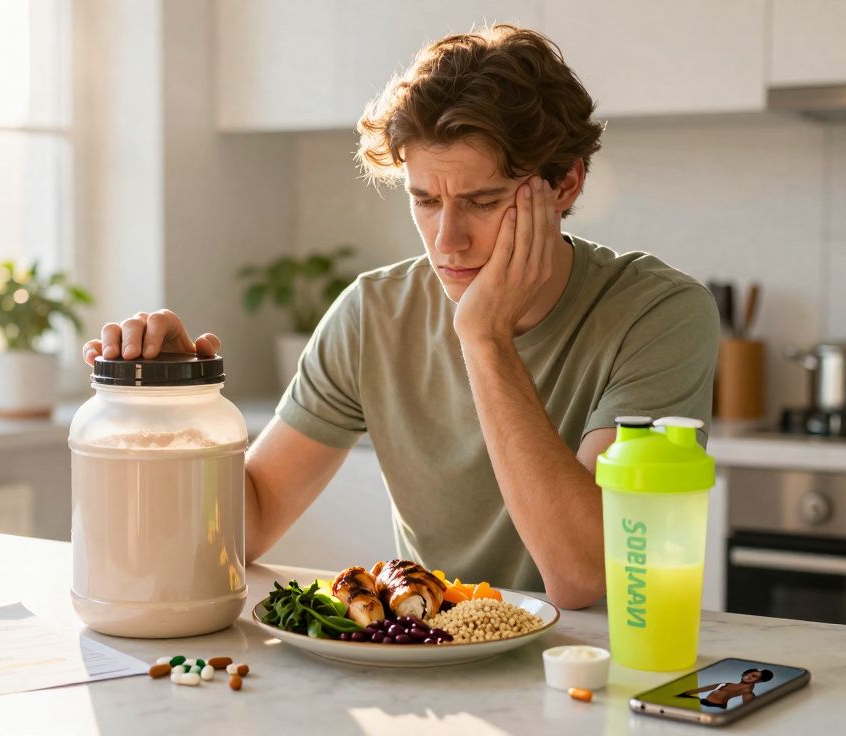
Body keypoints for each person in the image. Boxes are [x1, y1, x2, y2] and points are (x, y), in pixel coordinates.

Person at [83, 25, 718, 609]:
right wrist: (176, 404)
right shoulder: (374, 312)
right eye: (425, 201)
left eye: (483, 202)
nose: (448, 241)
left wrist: (484, 338)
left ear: (566, 185)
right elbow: (245, 526)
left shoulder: (658, 313)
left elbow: (585, 577)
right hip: (432, 672)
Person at [677, 668, 774, 708]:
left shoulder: (747, 693)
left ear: (759, 681)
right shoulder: (726, 684)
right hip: (702, 704)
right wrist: (680, 694)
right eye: (749, 673)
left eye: (754, 676)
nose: (748, 676)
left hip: (716, 709)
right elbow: (698, 690)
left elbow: (747, 710)